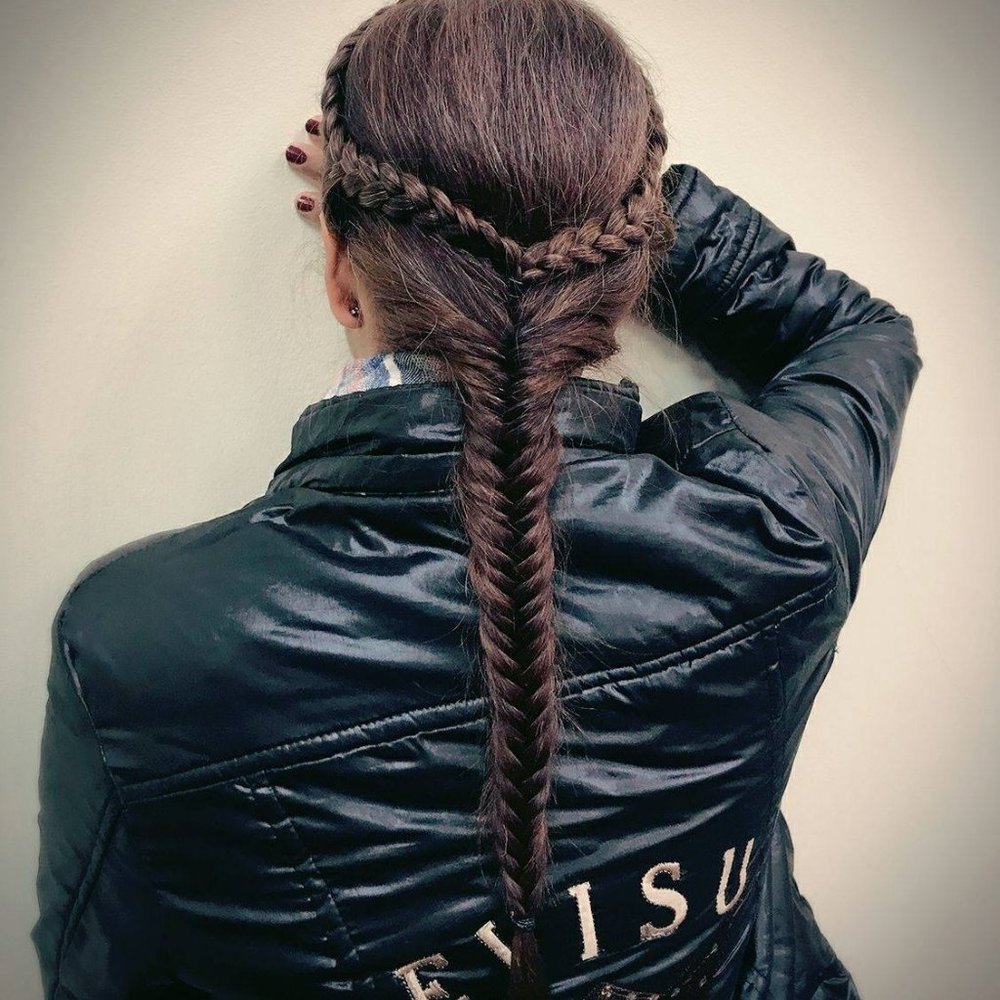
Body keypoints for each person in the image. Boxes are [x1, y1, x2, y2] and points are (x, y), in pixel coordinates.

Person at [29, 1, 922, 998]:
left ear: (339, 271)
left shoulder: (139, 646)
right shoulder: (778, 525)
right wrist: (599, 216)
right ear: (626, 273)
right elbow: (859, 337)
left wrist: (458, 219)